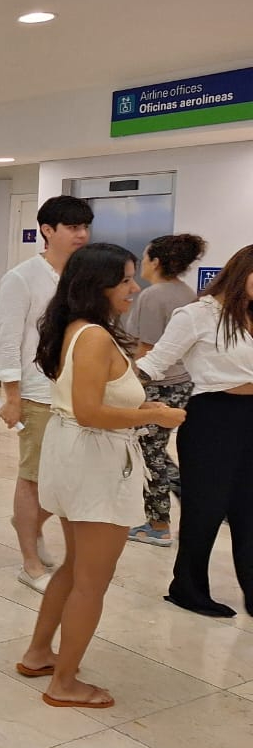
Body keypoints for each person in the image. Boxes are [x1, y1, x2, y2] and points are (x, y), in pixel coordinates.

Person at [18, 243, 186, 708]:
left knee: (75, 568)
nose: (136, 288)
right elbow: (92, 412)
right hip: (94, 459)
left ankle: (39, 654)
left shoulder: (75, 328)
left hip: (77, 453)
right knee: (92, 580)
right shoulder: (93, 336)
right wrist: (155, 417)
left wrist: (141, 408)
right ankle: (65, 682)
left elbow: (89, 403)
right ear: (98, 286)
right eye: (127, 280)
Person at [139, 244, 253, 618]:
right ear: (241, 272)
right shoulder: (197, 315)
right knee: (205, 509)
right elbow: (155, 362)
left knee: (248, 510)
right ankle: (187, 588)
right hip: (214, 418)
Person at [0, 195, 93, 593]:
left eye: (86, 227)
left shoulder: (84, 278)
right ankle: (30, 562)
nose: (82, 235)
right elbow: (7, 340)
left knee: (68, 479)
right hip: (38, 392)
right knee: (33, 477)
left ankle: (28, 525)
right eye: (72, 227)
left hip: (77, 391)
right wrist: (11, 395)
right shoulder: (22, 278)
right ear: (47, 231)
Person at [124, 233, 207, 546]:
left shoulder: (153, 295)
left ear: (156, 261)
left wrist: (130, 385)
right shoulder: (187, 292)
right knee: (156, 450)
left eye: (145, 257)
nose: (142, 263)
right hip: (182, 382)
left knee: (150, 454)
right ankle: (189, 497)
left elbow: (146, 348)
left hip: (156, 385)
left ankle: (158, 524)